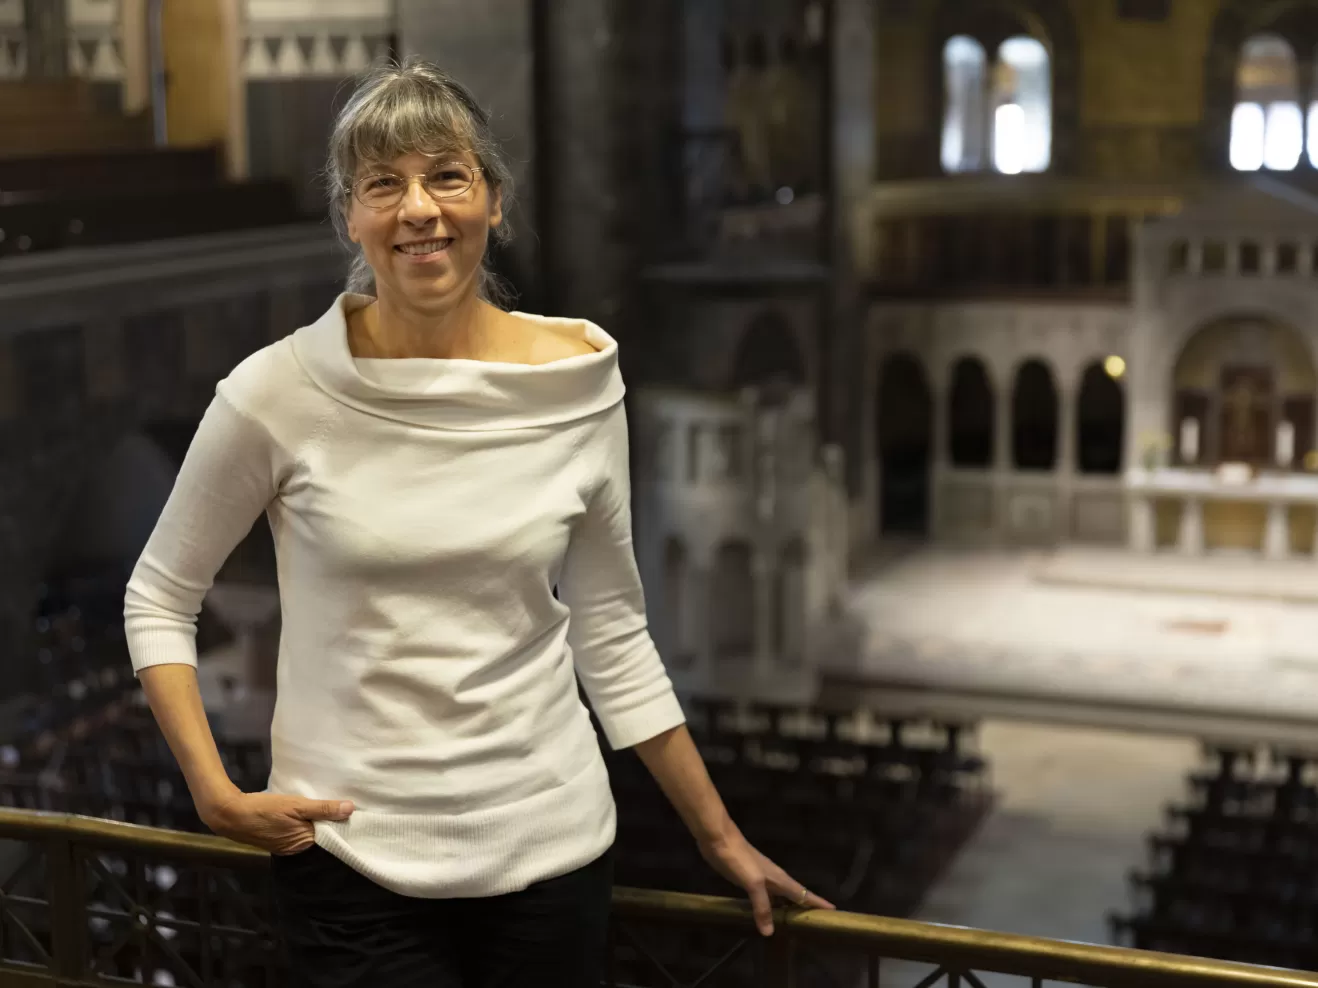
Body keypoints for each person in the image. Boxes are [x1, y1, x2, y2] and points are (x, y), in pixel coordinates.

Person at [123, 56, 833, 988]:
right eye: (385, 184)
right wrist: (214, 794)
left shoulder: (577, 384)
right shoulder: (277, 393)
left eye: (447, 176)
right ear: (352, 218)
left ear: (493, 200)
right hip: (352, 859)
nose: (420, 208)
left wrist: (721, 836)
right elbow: (159, 596)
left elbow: (613, 633)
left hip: (551, 849)